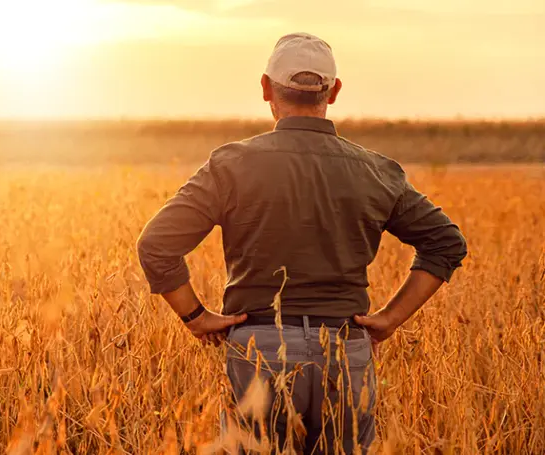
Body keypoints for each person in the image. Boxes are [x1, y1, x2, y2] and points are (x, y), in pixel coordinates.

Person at [136, 32, 467, 454]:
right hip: (346, 350)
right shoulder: (376, 171)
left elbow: (156, 244)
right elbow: (446, 242)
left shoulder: (233, 164)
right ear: (335, 92)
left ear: (266, 88)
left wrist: (196, 317)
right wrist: (390, 318)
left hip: (260, 349)